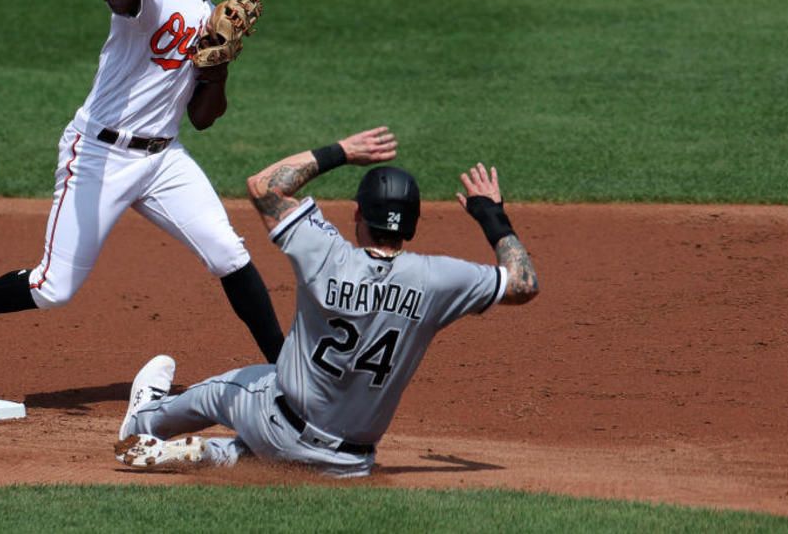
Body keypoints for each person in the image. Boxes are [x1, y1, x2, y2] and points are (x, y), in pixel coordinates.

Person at [0, 0, 284, 381]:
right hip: (99, 155)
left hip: (164, 159)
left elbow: (202, 119)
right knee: (54, 288)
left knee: (228, 254)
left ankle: (290, 370)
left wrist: (217, 70)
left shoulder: (210, 16)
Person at [113, 126, 540, 477]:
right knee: (277, 434)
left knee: (230, 388)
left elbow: (264, 186)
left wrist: (343, 151)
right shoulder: (440, 279)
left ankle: (145, 420)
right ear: (412, 225)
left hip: (278, 424)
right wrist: (492, 215)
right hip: (348, 463)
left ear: (357, 214)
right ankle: (216, 456)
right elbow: (522, 283)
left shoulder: (326, 253)